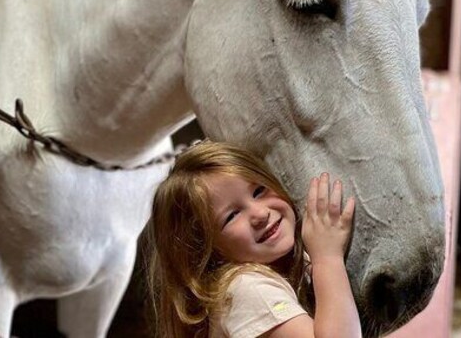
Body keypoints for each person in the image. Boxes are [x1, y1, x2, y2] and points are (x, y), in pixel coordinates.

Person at [146, 139, 360, 338]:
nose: (259, 214)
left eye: (259, 190)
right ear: (205, 251)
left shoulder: (285, 265)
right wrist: (327, 257)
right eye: (231, 216)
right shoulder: (246, 288)